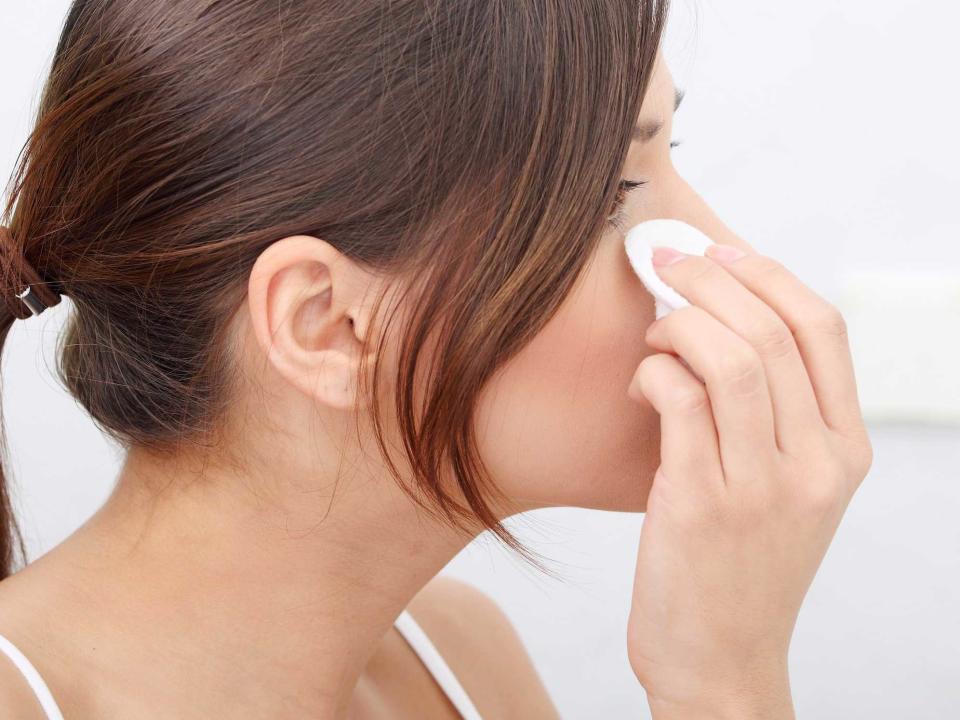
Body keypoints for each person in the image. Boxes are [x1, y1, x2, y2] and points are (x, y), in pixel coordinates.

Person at [0, 1, 873, 718]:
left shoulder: (459, 660)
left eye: (665, 157)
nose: (726, 253)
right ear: (326, 324)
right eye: (612, 197)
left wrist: (719, 679)